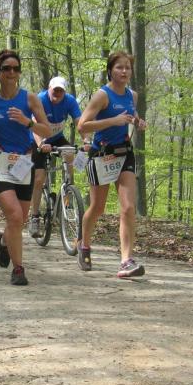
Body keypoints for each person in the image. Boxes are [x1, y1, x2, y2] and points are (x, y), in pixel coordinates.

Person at [0, 49, 50, 286]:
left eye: (16, 68)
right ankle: (19, 269)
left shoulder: (29, 99)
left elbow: (46, 129)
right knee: (14, 216)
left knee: (19, 220)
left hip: (24, 164)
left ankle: (4, 242)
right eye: (6, 68)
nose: (11, 72)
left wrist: (27, 122)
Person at [76, 51, 147, 277]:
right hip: (102, 155)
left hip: (124, 153)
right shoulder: (102, 95)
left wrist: (138, 122)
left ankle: (126, 261)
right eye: (119, 67)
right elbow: (82, 125)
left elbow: (131, 114)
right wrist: (112, 121)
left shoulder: (132, 95)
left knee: (128, 207)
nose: (124, 71)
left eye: (127, 67)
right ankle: (84, 245)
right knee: (98, 207)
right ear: (110, 70)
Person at [28, 76, 82, 238]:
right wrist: (40, 144)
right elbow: (34, 123)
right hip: (37, 138)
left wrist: (87, 140)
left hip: (57, 137)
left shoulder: (70, 101)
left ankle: (68, 191)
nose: (57, 93)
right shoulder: (40, 99)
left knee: (70, 153)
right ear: (49, 89)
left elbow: (80, 122)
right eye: (55, 90)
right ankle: (34, 217)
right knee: (39, 179)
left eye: (61, 91)